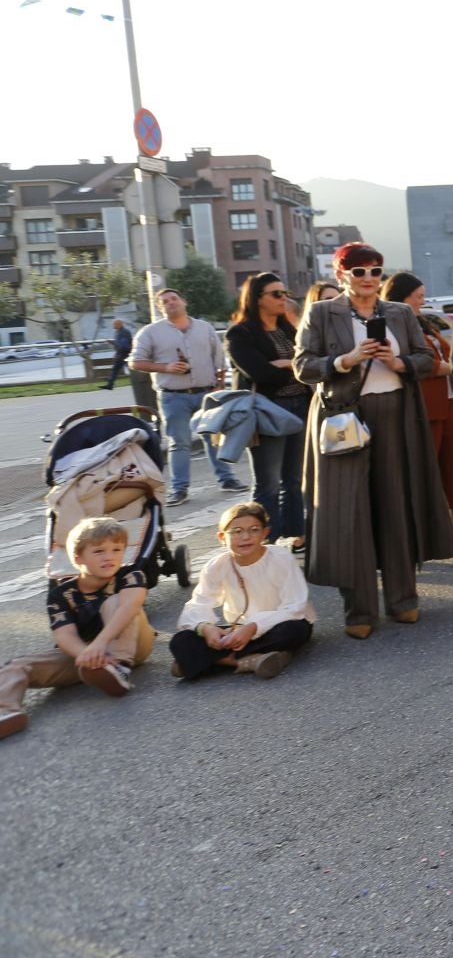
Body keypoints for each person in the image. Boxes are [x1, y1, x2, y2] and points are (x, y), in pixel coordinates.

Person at [294, 241, 453, 638]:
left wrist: (396, 361)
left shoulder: (399, 313)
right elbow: (303, 366)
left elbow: (423, 359)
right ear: (340, 275)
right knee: (350, 512)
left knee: (396, 504)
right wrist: (345, 360)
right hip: (344, 417)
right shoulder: (320, 312)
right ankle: (359, 611)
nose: (368, 279)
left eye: (375, 271)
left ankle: (403, 599)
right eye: (358, 271)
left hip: (398, 415)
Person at [0, 517, 156, 740]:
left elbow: (131, 606)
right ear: (78, 558)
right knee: (17, 665)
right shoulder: (60, 594)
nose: (109, 557)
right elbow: (65, 635)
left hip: (132, 643)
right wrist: (86, 653)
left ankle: (120, 667)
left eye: (116, 549)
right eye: (99, 551)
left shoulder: (130, 575)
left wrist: (102, 644)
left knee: (114, 603)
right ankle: (6, 711)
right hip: (88, 658)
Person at [382, 271, 453, 538]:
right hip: (425, 405)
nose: (422, 301)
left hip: (448, 401)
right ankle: (428, 521)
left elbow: (440, 354)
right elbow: (418, 363)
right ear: (400, 298)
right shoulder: (393, 324)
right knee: (427, 464)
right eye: (417, 296)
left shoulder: (423, 322)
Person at [169, 502, 316, 680]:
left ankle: (205, 662)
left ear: (265, 533)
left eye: (254, 529)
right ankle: (248, 661)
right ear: (222, 537)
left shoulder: (281, 558)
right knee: (181, 639)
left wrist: (253, 627)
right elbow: (199, 603)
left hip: (280, 624)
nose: (246, 537)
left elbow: (295, 607)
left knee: (292, 631)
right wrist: (206, 628)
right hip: (238, 630)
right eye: (237, 531)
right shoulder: (217, 565)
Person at [131, 287, 245, 505]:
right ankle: (179, 488)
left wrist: (219, 386)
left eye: (174, 299)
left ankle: (227, 479)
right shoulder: (150, 332)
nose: (170, 303)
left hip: (206, 392)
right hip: (173, 396)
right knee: (179, 442)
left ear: (184, 301)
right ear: (159, 308)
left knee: (213, 438)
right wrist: (166, 367)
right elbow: (135, 362)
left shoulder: (204, 328)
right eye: (164, 301)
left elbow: (219, 360)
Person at [224, 273, 313, 549]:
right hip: (268, 411)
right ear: (257, 299)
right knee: (268, 483)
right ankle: (264, 540)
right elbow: (260, 373)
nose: (283, 298)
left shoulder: (288, 328)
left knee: (295, 478)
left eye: (284, 293)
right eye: (276, 294)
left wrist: (283, 364)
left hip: (301, 406)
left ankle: (299, 535)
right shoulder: (240, 333)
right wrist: (288, 366)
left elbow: (306, 366)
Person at [105, 318, 132, 390]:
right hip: (122, 354)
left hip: (124, 354)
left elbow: (124, 345)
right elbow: (119, 344)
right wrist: (112, 343)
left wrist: (118, 353)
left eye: (114, 324)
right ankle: (110, 384)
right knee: (115, 369)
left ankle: (110, 384)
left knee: (130, 369)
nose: (113, 325)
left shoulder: (124, 332)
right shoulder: (118, 332)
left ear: (119, 324)